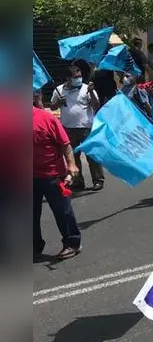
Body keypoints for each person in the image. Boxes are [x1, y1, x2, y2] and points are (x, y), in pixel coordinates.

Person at [33, 92, 82, 261]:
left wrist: (71, 164)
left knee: (63, 212)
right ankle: (33, 246)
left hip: (52, 175)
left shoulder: (46, 118)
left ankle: (72, 243)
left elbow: (65, 144)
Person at [50, 64, 105, 191]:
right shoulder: (59, 90)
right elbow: (53, 107)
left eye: (79, 76)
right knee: (73, 157)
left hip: (86, 128)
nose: (78, 79)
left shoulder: (87, 88)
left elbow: (96, 106)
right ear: (68, 78)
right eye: (75, 77)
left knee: (92, 155)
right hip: (68, 129)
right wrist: (59, 101)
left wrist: (91, 92)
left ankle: (98, 180)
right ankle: (78, 181)